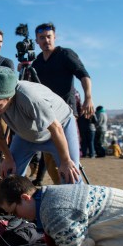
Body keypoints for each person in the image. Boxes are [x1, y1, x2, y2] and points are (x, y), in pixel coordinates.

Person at [0, 66, 82, 184]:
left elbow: (56, 128)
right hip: (25, 135)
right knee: (11, 176)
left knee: (70, 176)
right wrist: (8, 158)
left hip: (60, 129)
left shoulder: (29, 97)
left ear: (9, 97)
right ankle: (22, 201)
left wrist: (65, 161)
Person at [29, 22, 94, 182]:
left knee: (68, 159)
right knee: (50, 160)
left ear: (54, 37)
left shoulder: (65, 54)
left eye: (49, 37)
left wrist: (88, 97)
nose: (46, 41)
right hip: (46, 115)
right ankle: (61, 188)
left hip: (66, 114)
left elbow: (83, 74)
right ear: (36, 41)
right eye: (42, 38)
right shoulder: (36, 63)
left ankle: (72, 191)